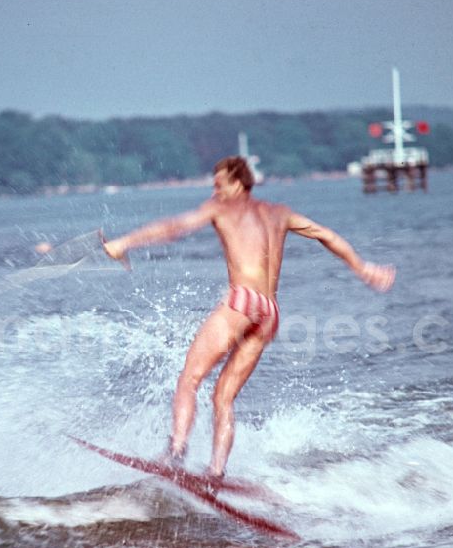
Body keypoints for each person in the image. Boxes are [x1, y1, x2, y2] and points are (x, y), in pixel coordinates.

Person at [103, 155, 395, 477]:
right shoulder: (279, 213)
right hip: (269, 312)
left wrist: (123, 243)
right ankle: (216, 472)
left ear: (239, 182)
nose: (214, 192)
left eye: (219, 184)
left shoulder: (223, 209)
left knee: (189, 379)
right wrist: (362, 267)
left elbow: (174, 228)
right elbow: (326, 235)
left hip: (241, 301)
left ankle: (175, 451)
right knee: (223, 398)